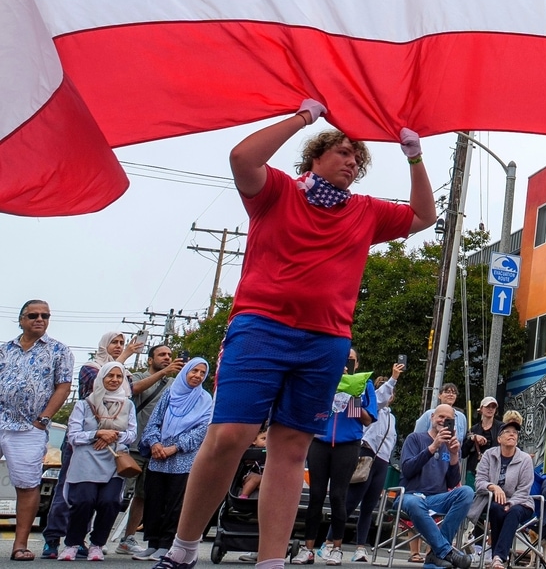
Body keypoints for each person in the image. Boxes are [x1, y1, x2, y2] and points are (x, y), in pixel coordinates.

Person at [150, 103, 434, 569]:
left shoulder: (364, 211)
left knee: (291, 449)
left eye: (357, 160)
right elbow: (242, 159)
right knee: (230, 436)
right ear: (316, 156)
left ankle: (271, 563)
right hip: (260, 328)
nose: (352, 163)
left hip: (325, 342)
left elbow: (424, 215)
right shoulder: (277, 190)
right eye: (343, 152)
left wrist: (414, 156)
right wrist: (303, 117)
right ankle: (182, 551)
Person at [2, 300, 74, 561]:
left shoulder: (59, 351)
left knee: (27, 484)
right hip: (0, 420)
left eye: (45, 315)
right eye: (33, 315)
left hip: (28, 427)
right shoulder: (4, 350)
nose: (40, 319)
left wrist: (43, 419)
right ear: (21, 319)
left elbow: (63, 387)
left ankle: (19, 545)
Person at [296, 348, 378, 565]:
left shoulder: (363, 384)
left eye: (351, 360)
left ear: (357, 364)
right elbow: (310, 409)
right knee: (315, 495)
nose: (346, 363)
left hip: (348, 445)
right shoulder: (325, 378)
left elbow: (367, 420)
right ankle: (308, 548)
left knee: (338, 496)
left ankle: (336, 548)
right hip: (320, 442)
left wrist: (353, 395)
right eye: (343, 359)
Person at [136, 359, 213, 562]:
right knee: (154, 501)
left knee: (175, 505)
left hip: (183, 460)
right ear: (185, 372)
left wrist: (174, 447)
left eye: (201, 372)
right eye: (193, 371)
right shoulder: (170, 394)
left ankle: (166, 545)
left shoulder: (205, 400)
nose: (197, 375)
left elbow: (202, 431)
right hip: (158, 458)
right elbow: (154, 422)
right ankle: (152, 544)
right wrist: (154, 444)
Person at [60, 362, 138, 561]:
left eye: (118, 376)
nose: (114, 380)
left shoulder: (128, 404)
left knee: (110, 502)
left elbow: (131, 434)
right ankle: (72, 544)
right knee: (83, 501)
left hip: (114, 461)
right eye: (109, 376)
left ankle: (97, 544)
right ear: (101, 378)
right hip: (86, 461)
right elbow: (74, 436)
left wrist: (112, 436)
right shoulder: (85, 404)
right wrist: (97, 433)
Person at [120, 344, 184, 556]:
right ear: (150, 359)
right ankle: (97, 539)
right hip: (132, 446)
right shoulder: (138, 376)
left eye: (169, 355)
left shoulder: (174, 384)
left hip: (157, 450)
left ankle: (127, 539)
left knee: (143, 495)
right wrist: (164, 373)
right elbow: (133, 390)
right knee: (117, 494)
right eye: (162, 355)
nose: (167, 358)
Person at [398, 404, 473, 569]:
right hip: (410, 496)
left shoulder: (451, 445)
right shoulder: (415, 438)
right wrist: (433, 447)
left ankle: (437, 554)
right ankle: (446, 551)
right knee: (414, 502)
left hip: (436, 498)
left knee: (466, 492)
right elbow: (407, 470)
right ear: (432, 417)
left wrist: (454, 456)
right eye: (440, 416)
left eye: (448, 419)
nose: (443, 421)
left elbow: (453, 483)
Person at [347, 361, 404, 563]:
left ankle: (360, 546)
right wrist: (393, 378)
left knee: (369, 506)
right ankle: (330, 541)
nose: (388, 395)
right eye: (385, 391)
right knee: (350, 502)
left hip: (382, 462)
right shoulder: (372, 408)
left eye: (391, 393)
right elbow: (378, 399)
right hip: (366, 454)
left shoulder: (392, 417)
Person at [476, 418, 535, 569]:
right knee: (496, 509)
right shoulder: (489, 455)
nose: (512, 435)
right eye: (507, 432)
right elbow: (479, 481)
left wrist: (510, 503)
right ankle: (499, 558)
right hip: (493, 500)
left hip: (521, 502)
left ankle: (498, 556)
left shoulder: (525, 460)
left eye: (515, 433)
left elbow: (524, 490)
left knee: (513, 512)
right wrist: (493, 487)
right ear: (499, 438)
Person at [463, 397, 502, 483]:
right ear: (481, 409)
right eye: (488, 406)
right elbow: (463, 453)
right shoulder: (473, 429)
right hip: (474, 469)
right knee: (472, 494)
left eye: (493, 407)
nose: (490, 409)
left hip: (494, 470)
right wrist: (473, 439)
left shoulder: (501, 427)